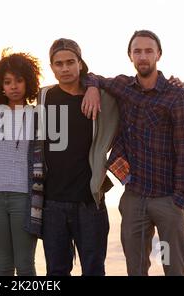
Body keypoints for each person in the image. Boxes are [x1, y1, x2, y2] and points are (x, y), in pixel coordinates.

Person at [84, 30, 184, 276]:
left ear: (158, 54)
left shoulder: (176, 96)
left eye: (148, 50)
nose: (143, 56)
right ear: (130, 56)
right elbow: (93, 77)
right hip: (134, 200)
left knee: (171, 265)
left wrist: (179, 199)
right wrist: (92, 87)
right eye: (137, 51)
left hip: (167, 201)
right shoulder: (124, 87)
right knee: (136, 268)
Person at [38, 38, 119, 276]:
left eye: (70, 62)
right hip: (52, 203)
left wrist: (93, 85)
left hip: (89, 201)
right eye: (58, 63)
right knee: (56, 271)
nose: (65, 68)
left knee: (94, 270)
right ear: (51, 67)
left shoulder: (101, 98)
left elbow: (131, 87)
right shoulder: (43, 97)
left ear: (80, 63)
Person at [0, 50, 44, 276]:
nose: (13, 86)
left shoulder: (37, 116)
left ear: (28, 82)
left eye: (19, 80)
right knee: (2, 265)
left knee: (25, 264)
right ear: (0, 85)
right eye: (7, 81)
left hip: (24, 196)